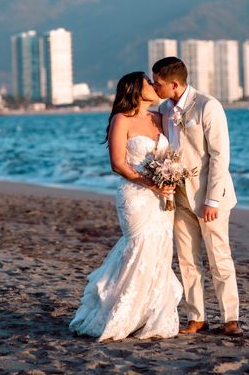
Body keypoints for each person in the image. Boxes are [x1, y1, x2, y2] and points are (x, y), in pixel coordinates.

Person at [69, 71, 182, 341]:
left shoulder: (160, 118)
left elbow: (173, 152)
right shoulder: (121, 119)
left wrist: (171, 176)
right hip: (135, 195)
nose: (154, 86)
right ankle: (119, 313)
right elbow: (118, 164)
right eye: (148, 83)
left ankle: (147, 315)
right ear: (135, 89)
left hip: (162, 196)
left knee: (160, 249)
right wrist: (151, 183)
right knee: (138, 247)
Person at [152, 57, 243, 337]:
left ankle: (230, 319)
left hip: (209, 196)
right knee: (187, 260)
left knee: (219, 257)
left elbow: (219, 155)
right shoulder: (163, 109)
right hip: (177, 196)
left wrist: (212, 201)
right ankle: (196, 318)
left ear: (174, 84)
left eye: (158, 84)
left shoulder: (208, 106)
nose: (155, 88)